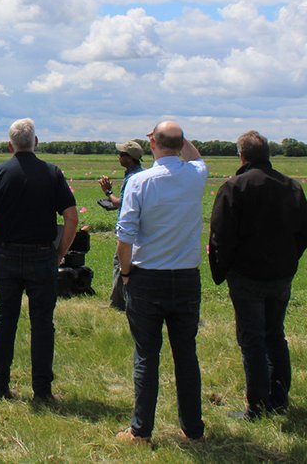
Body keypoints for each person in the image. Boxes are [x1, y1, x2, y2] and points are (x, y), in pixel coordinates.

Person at [0, 118, 77, 404]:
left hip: (6, 254)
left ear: (9, 146)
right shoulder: (52, 173)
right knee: (42, 322)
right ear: (36, 143)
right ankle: (42, 390)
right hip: (42, 255)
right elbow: (71, 217)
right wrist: (60, 252)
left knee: (4, 319)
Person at [114, 120, 207, 445]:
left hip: (146, 277)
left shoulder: (140, 182)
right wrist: (177, 137)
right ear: (180, 144)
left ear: (152, 145)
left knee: (146, 356)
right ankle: (193, 429)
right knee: (186, 355)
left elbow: (124, 239)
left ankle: (141, 430)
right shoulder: (196, 176)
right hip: (185, 278)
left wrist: (125, 275)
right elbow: (195, 157)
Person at [209, 130, 307, 419]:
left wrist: (224, 268)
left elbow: (220, 235)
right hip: (281, 275)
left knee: (252, 339)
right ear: (267, 154)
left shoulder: (235, 187)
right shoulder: (291, 186)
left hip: (246, 275)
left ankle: (257, 405)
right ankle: (279, 399)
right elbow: (305, 232)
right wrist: (289, 259)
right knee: (275, 335)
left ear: (241, 155)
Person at [98, 140, 145, 309]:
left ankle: (117, 303)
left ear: (129, 158)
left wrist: (108, 191)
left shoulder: (132, 177)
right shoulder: (142, 174)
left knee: (120, 263)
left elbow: (121, 203)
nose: (118, 157)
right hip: (140, 229)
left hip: (128, 230)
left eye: (121, 154)